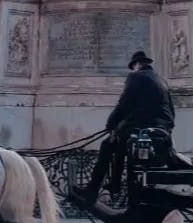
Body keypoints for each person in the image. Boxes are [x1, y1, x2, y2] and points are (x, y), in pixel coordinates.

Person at [75, 51, 175, 203]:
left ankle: (93, 190)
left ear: (137, 64)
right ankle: (115, 184)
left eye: (133, 66)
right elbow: (171, 111)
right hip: (162, 132)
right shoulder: (161, 81)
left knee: (107, 145)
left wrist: (110, 124)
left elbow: (124, 103)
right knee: (120, 140)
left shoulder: (136, 77)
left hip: (144, 130)